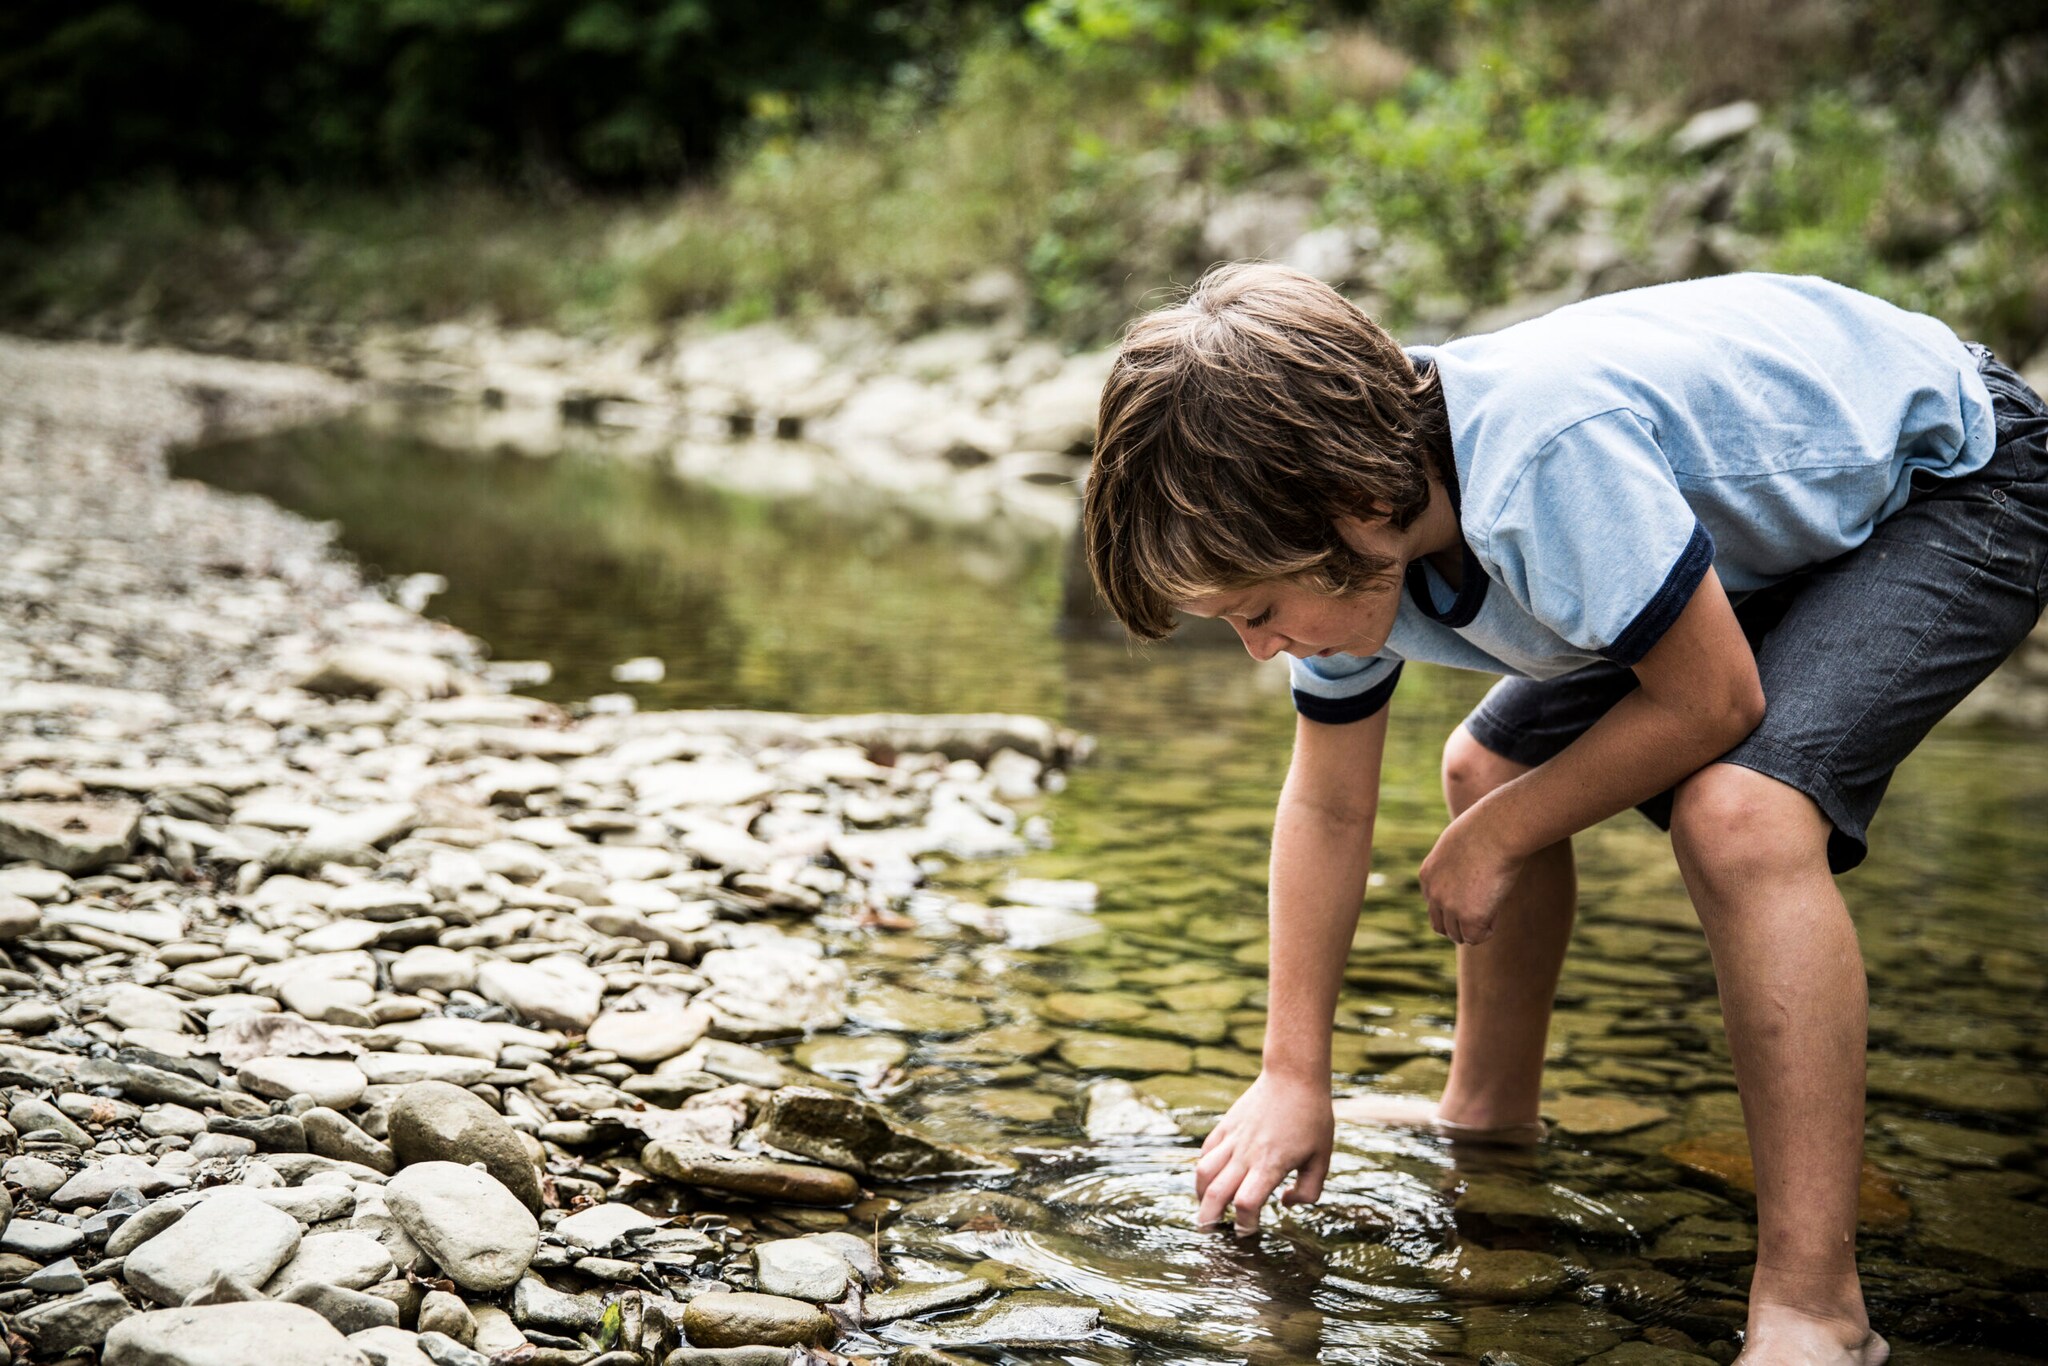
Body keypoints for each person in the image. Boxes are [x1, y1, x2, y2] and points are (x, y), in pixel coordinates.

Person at [1081, 261, 2048, 1365]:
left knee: (1737, 817)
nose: (1258, 647)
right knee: (1485, 767)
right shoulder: (1355, 528)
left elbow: (1711, 699)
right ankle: (1486, 1117)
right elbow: (1327, 804)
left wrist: (1500, 836)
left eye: (1256, 611)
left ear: (1354, 512)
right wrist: (1292, 1071)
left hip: (1950, 477)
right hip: (1759, 540)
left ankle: (1814, 1306)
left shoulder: (1536, 464)